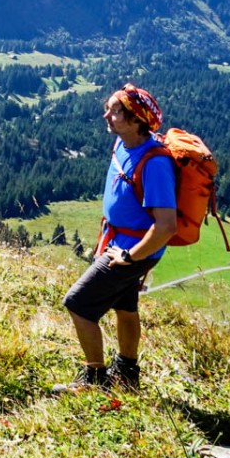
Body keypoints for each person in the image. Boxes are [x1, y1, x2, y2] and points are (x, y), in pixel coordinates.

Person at [55, 83, 176, 393]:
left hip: (132, 248)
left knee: (78, 304)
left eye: (115, 111)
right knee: (126, 305)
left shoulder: (155, 164)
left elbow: (166, 226)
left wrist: (132, 256)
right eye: (108, 107)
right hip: (117, 240)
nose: (106, 115)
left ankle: (96, 380)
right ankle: (127, 374)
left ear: (137, 120)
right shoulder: (125, 144)